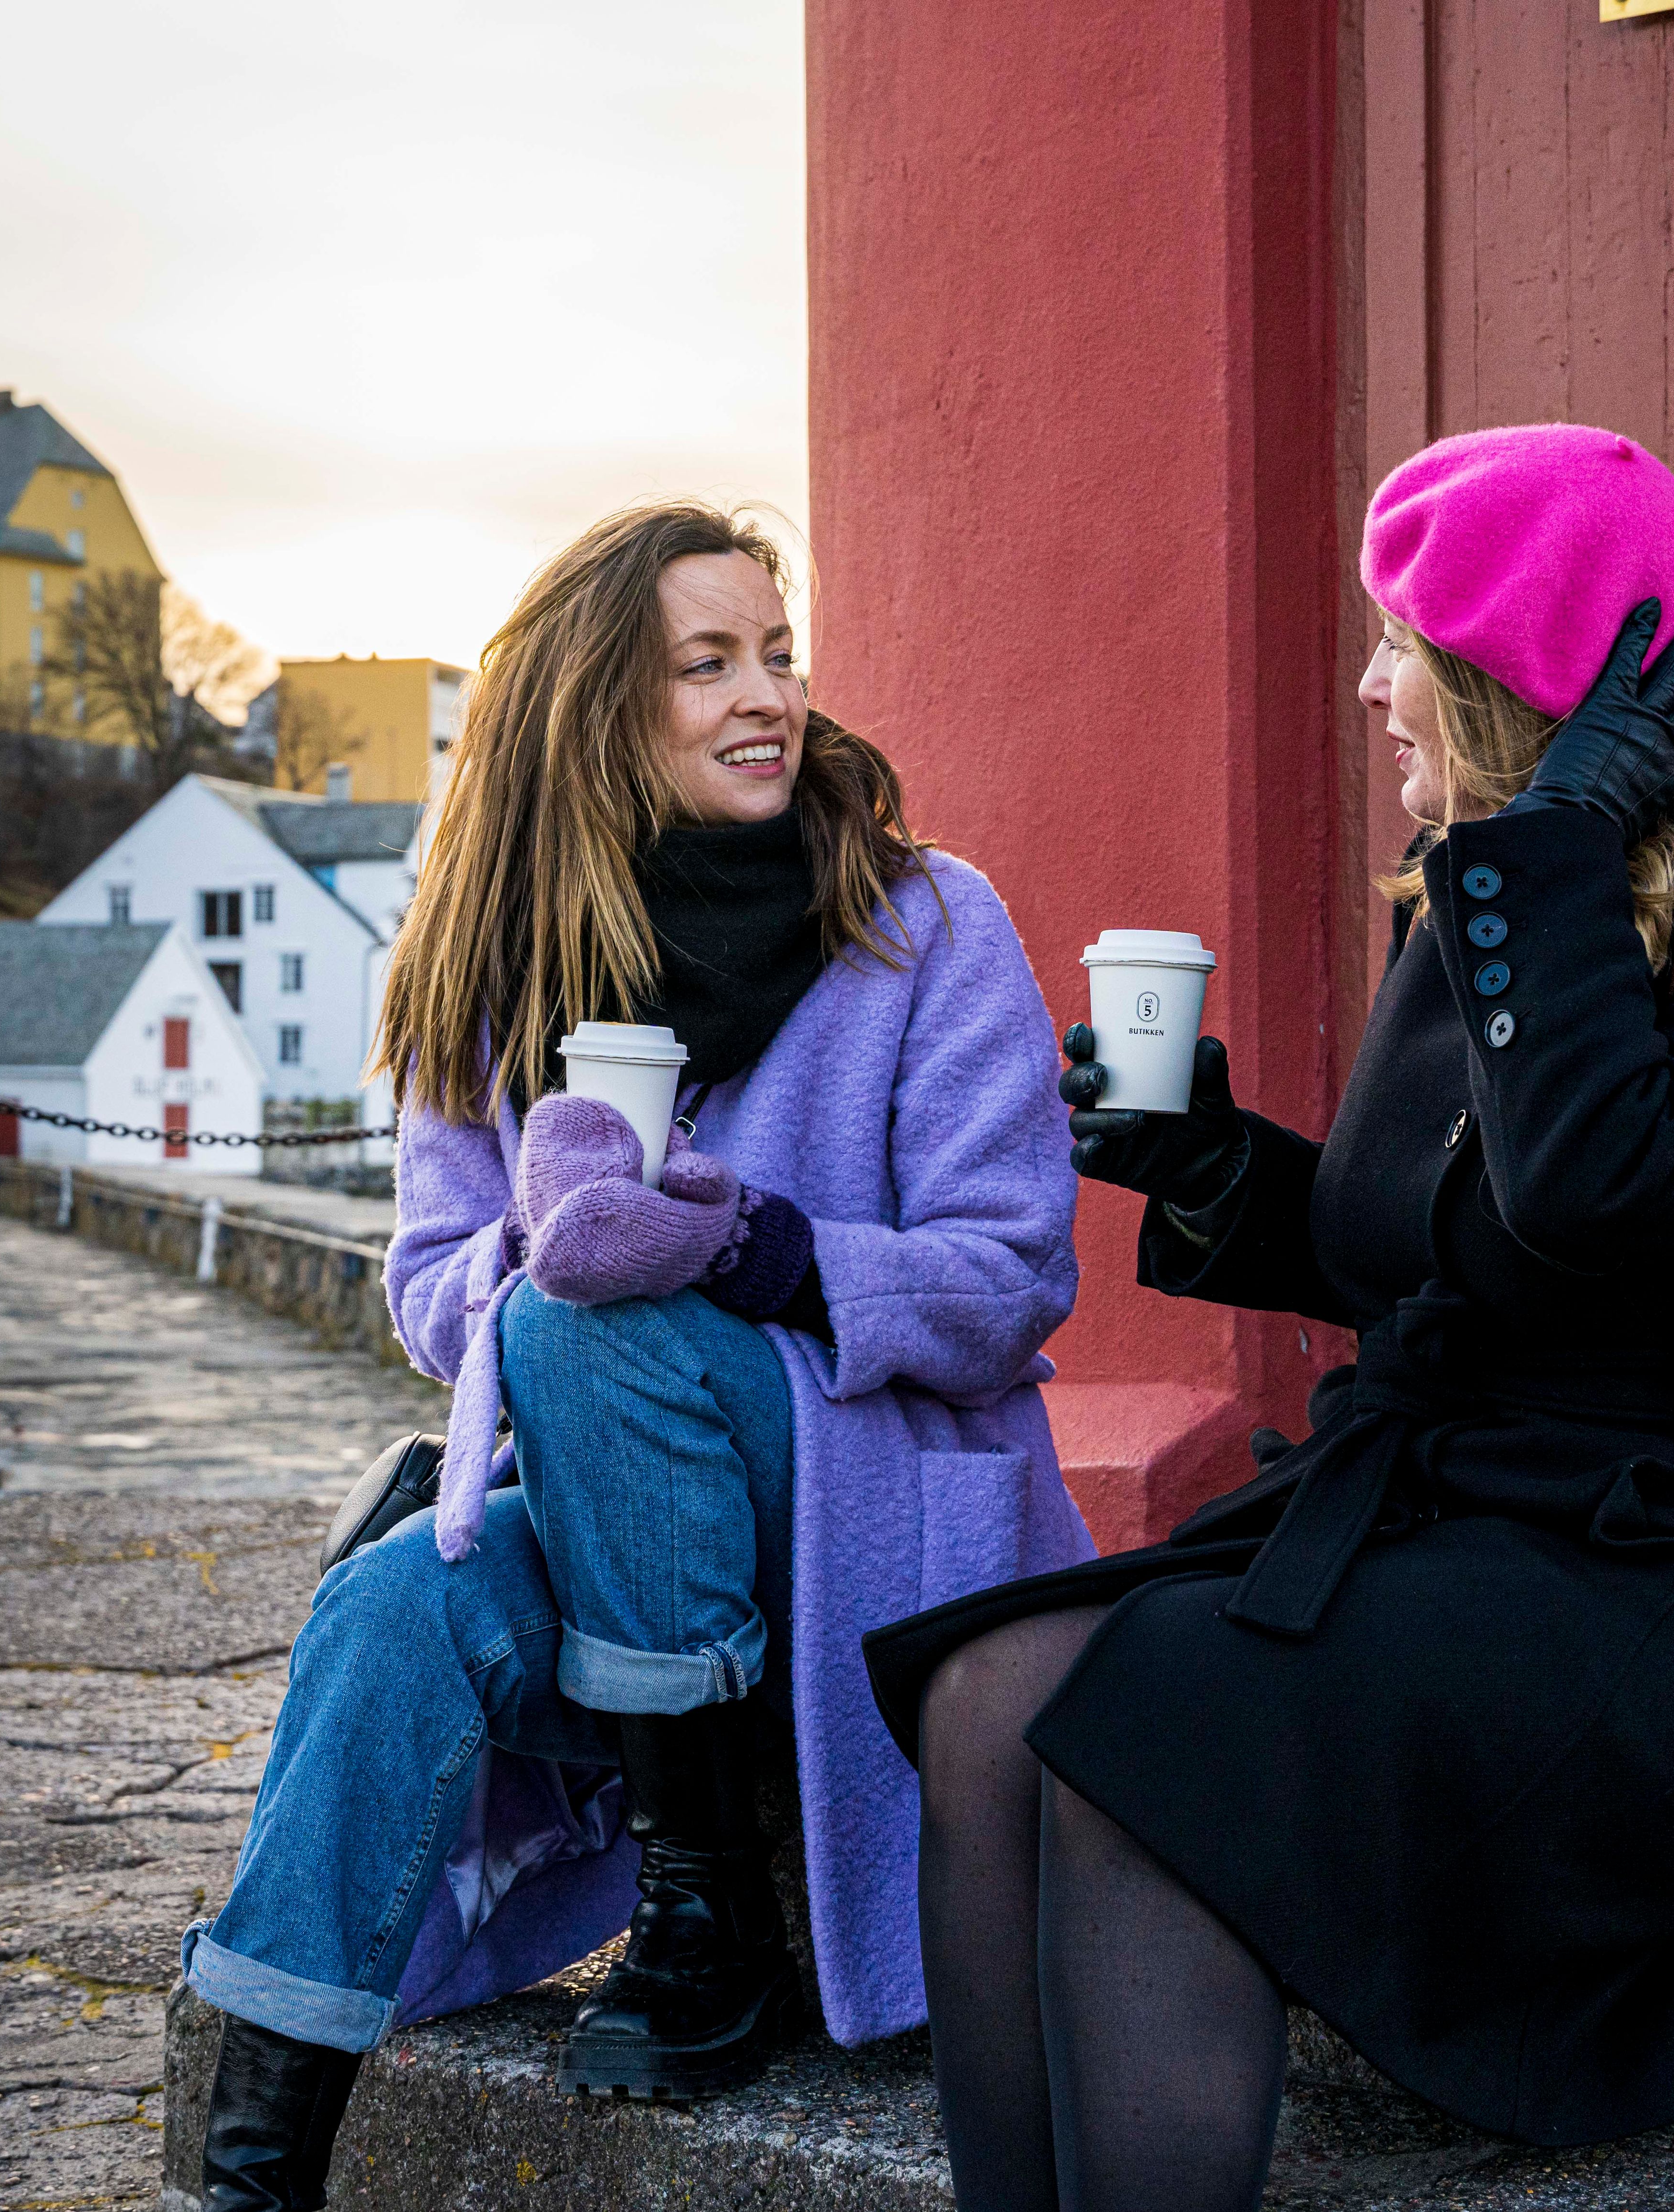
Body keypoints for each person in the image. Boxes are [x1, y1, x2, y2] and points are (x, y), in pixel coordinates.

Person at [864, 424, 1674, 2212]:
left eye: (1408, 649)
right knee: (991, 1692)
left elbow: (1614, 1186)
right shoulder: (1490, 894)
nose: (1373, 688)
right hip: (1494, 1515)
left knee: (1162, 1740)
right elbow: (1448, 1250)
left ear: (1519, 676)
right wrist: (1210, 1162)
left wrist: (1557, 849)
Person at [180, 501, 1092, 2212]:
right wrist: (551, 1234)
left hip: (867, 1520)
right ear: (604, 707)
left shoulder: (924, 923)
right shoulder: (501, 967)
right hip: (617, 1531)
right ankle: (253, 2164)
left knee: (597, 1324)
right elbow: (436, 1285)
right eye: (709, 662)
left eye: (779, 652)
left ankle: (709, 1899)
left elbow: (1013, 1280)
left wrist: (758, 1251)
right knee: (391, 1602)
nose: (770, 695)